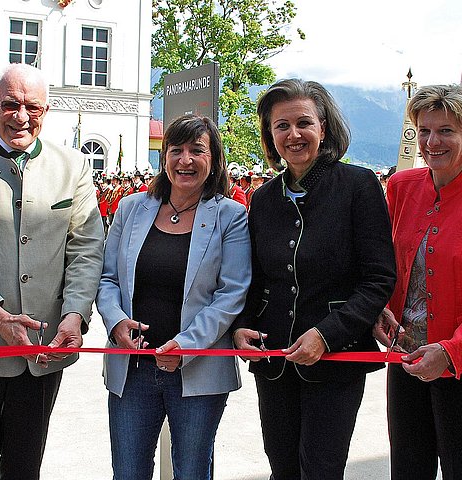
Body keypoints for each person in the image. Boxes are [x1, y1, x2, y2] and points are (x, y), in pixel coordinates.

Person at [232, 79, 396, 480]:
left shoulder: (358, 186)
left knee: (321, 470)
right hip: (274, 359)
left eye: (304, 122)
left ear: (324, 127)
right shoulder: (263, 198)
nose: (293, 135)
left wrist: (326, 334)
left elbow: (378, 278)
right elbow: (253, 278)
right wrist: (241, 327)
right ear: (270, 136)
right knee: (282, 467)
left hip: (337, 359)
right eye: (281, 126)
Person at [96, 114, 251, 480]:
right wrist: (116, 321)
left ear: (214, 160)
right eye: (176, 150)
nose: (185, 160)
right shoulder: (132, 207)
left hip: (198, 372)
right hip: (132, 370)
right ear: (164, 156)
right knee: (128, 472)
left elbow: (232, 293)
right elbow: (107, 279)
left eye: (197, 150)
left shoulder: (231, 216)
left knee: (193, 472)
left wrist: (186, 344)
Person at [0, 63, 104, 480]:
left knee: (24, 467)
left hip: (42, 348)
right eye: (10, 104)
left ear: (46, 110)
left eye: (31, 106)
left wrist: (74, 314)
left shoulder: (73, 167)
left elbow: (86, 249)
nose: (20, 116)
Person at [373, 84, 462, 480]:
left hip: (456, 363)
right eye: (424, 130)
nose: (432, 141)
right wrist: (381, 308)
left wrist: (451, 350)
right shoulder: (401, 188)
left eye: (446, 131)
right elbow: (385, 265)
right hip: (407, 358)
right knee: (408, 468)